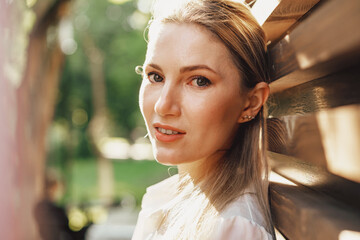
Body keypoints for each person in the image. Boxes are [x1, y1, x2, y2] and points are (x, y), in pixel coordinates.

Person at [133, 0, 275, 239]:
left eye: (199, 80)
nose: (163, 105)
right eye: (155, 76)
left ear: (251, 102)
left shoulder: (231, 228)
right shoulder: (171, 201)